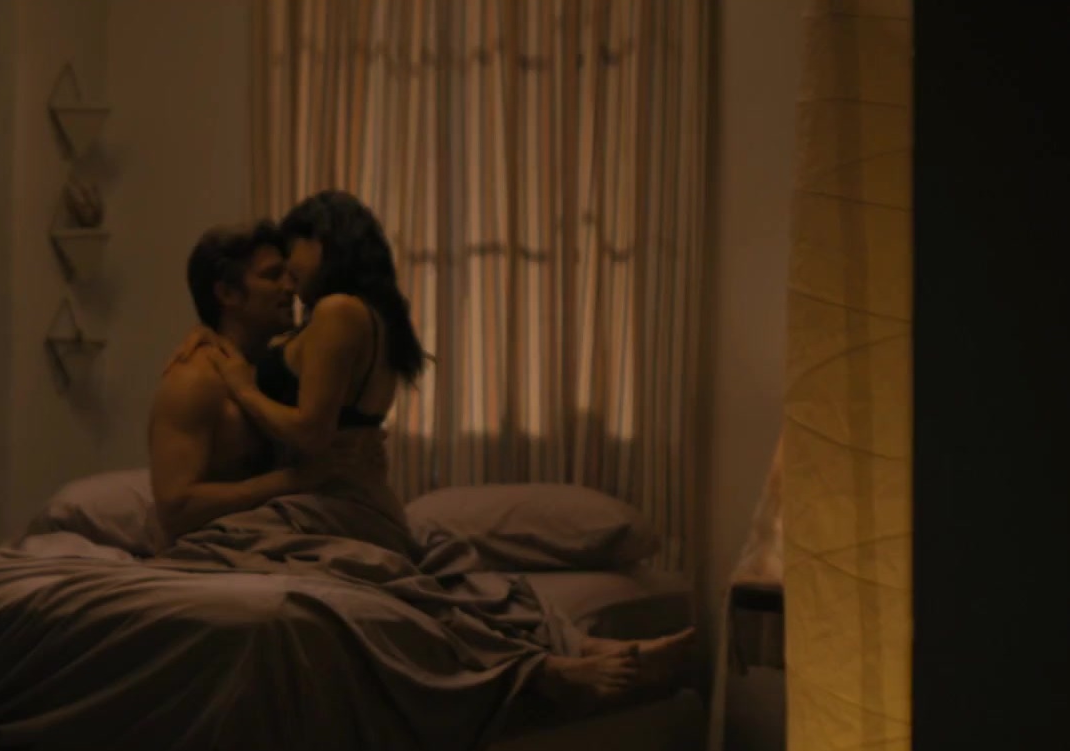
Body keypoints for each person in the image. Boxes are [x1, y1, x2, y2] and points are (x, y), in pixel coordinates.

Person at [167, 193, 698, 711]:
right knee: (454, 583)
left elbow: (311, 433)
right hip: (355, 496)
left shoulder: (337, 311)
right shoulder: (367, 316)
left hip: (333, 499)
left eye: (292, 257)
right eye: (274, 273)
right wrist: (210, 334)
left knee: (415, 593)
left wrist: (244, 389)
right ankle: (585, 646)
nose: (288, 277)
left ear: (323, 243)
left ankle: (542, 670)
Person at [147, 220, 382, 544]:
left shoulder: (275, 368)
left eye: (288, 274)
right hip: (213, 549)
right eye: (272, 276)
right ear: (227, 293)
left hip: (279, 538)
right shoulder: (195, 380)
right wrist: (296, 480)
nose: (290, 287)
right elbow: (175, 509)